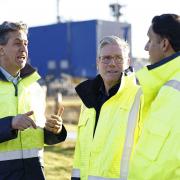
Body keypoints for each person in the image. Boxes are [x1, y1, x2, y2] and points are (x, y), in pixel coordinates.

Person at [0, 21, 67, 180]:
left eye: (26, 44)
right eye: (17, 44)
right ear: (1, 49)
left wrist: (53, 131)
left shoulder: (35, 88)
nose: (23, 49)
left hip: (34, 173)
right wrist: (10, 124)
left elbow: (37, 136)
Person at [71, 36, 141, 180]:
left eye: (118, 58)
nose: (112, 63)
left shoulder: (140, 96)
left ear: (128, 62)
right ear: (98, 62)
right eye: (106, 58)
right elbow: (81, 151)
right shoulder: (88, 99)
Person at [128, 14, 180, 180]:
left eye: (150, 40)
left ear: (164, 44)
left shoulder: (174, 89)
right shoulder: (166, 88)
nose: (145, 47)